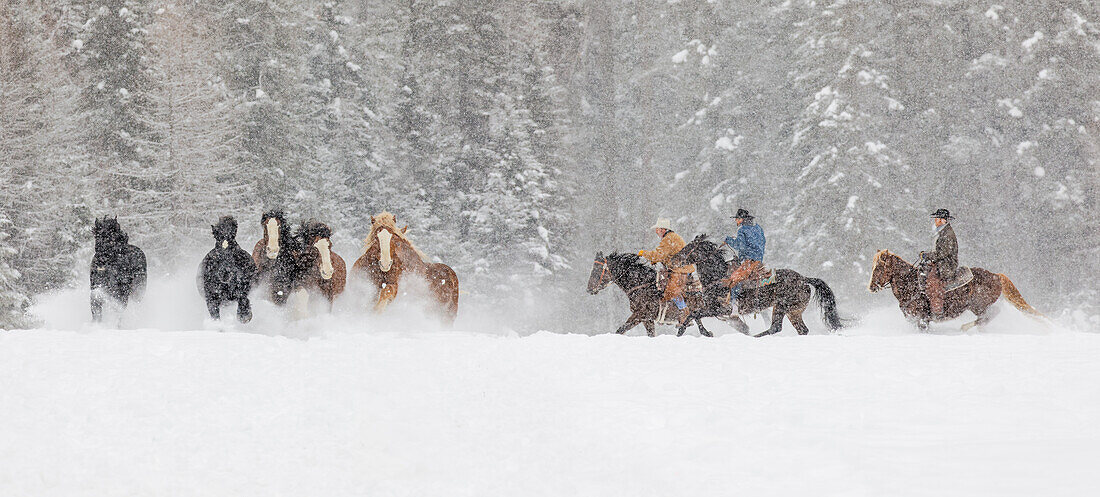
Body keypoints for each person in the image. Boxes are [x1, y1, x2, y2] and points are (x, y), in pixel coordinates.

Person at [638, 218, 695, 319]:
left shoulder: (669, 239)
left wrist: (645, 253)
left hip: (680, 270)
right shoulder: (672, 237)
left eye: (657, 229)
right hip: (680, 268)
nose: (656, 231)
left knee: (671, 291)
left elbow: (659, 255)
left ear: (663, 230)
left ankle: (684, 311)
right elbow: (665, 255)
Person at [721, 209, 765, 313]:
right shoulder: (758, 228)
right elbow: (763, 242)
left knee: (734, 279)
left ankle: (734, 308)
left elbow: (740, 246)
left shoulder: (742, 230)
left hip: (749, 260)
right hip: (758, 259)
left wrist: (728, 240)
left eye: (737, 219)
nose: (736, 221)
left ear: (741, 219)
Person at [920, 208, 958, 317]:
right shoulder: (942, 232)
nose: (935, 221)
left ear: (943, 220)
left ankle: (937, 309)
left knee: (933, 281)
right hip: (940, 261)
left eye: (937, 219)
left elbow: (943, 253)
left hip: (947, 264)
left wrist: (928, 255)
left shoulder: (948, 234)